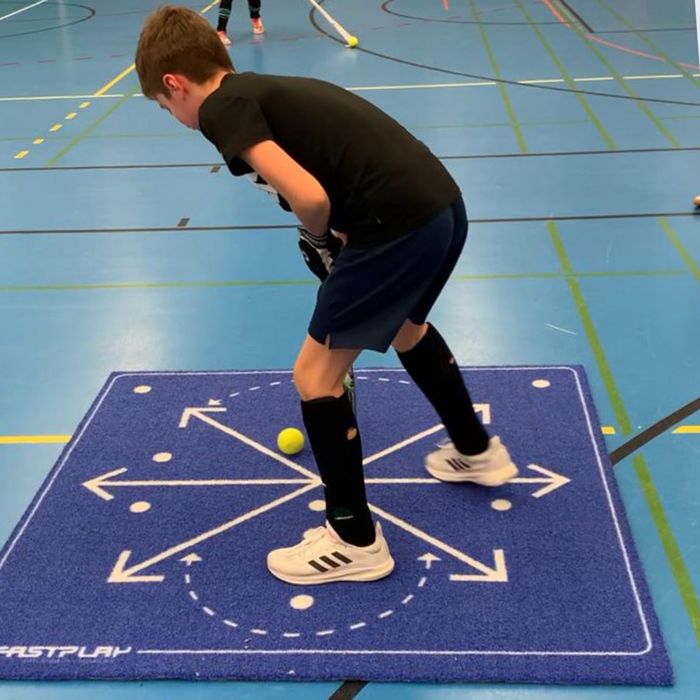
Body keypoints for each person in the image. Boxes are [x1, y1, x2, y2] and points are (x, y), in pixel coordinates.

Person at [135, 5, 519, 586]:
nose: (178, 119)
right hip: (440, 206)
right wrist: (337, 235)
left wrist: (317, 238)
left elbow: (310, 196)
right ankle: (476, 451)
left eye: (167, 108)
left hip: (398, 224)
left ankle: (354, 539)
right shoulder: (260, 90)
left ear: (176, 83)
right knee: (406, 328)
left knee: (314, 377)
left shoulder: (220, 108)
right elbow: (343, 168)